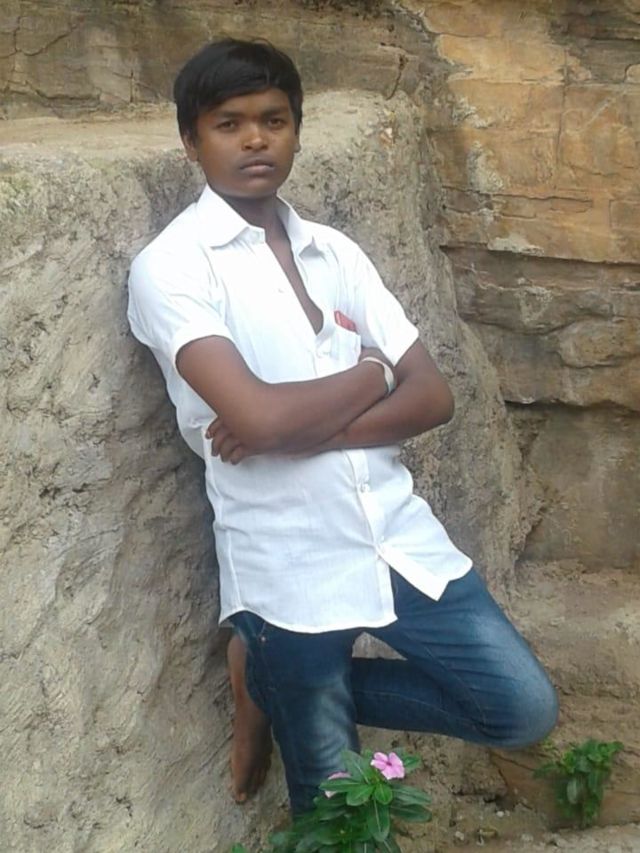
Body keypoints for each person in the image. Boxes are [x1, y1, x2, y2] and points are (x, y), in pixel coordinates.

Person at [127, 38, 558, 816]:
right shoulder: (174, 266)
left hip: (396, 533)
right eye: (229, 124)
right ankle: (280, 673)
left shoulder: (336, 253)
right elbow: (257, 415)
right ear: (192, 141)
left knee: (520, 707)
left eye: (274, 120)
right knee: (339, 815)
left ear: (297, 130)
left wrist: (297, 427)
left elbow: (434, 398)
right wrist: (374, 374)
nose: (256, 140)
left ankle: (266, 682)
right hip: (287, 561)